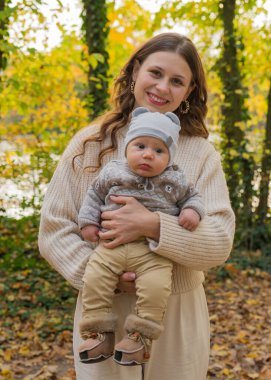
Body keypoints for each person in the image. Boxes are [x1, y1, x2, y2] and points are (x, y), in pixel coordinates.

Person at [38, 32, 235, 380]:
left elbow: (219, 240)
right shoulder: (89, 143)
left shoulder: (201, 153)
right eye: (155, 73)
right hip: (103, 306)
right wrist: (104, 275)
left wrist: (154, 225)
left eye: (177, 81)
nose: (163, 87)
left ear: (188, 92)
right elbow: (54, 228)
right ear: (135, 72)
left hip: (175, 311)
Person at [77, 107, 206, 366]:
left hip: (153, 253)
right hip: (110, 246)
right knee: (94, 279)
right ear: (127, 148)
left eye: (159, 151)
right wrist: (88, 222)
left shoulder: (175, 178)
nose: (148, 154)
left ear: (169, 157)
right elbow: (93, 195)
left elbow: (193, 197)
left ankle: (140, 337)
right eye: (140, 146)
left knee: (156, 288)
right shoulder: (113, 171)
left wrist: (192, 211)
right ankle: (99, 333)